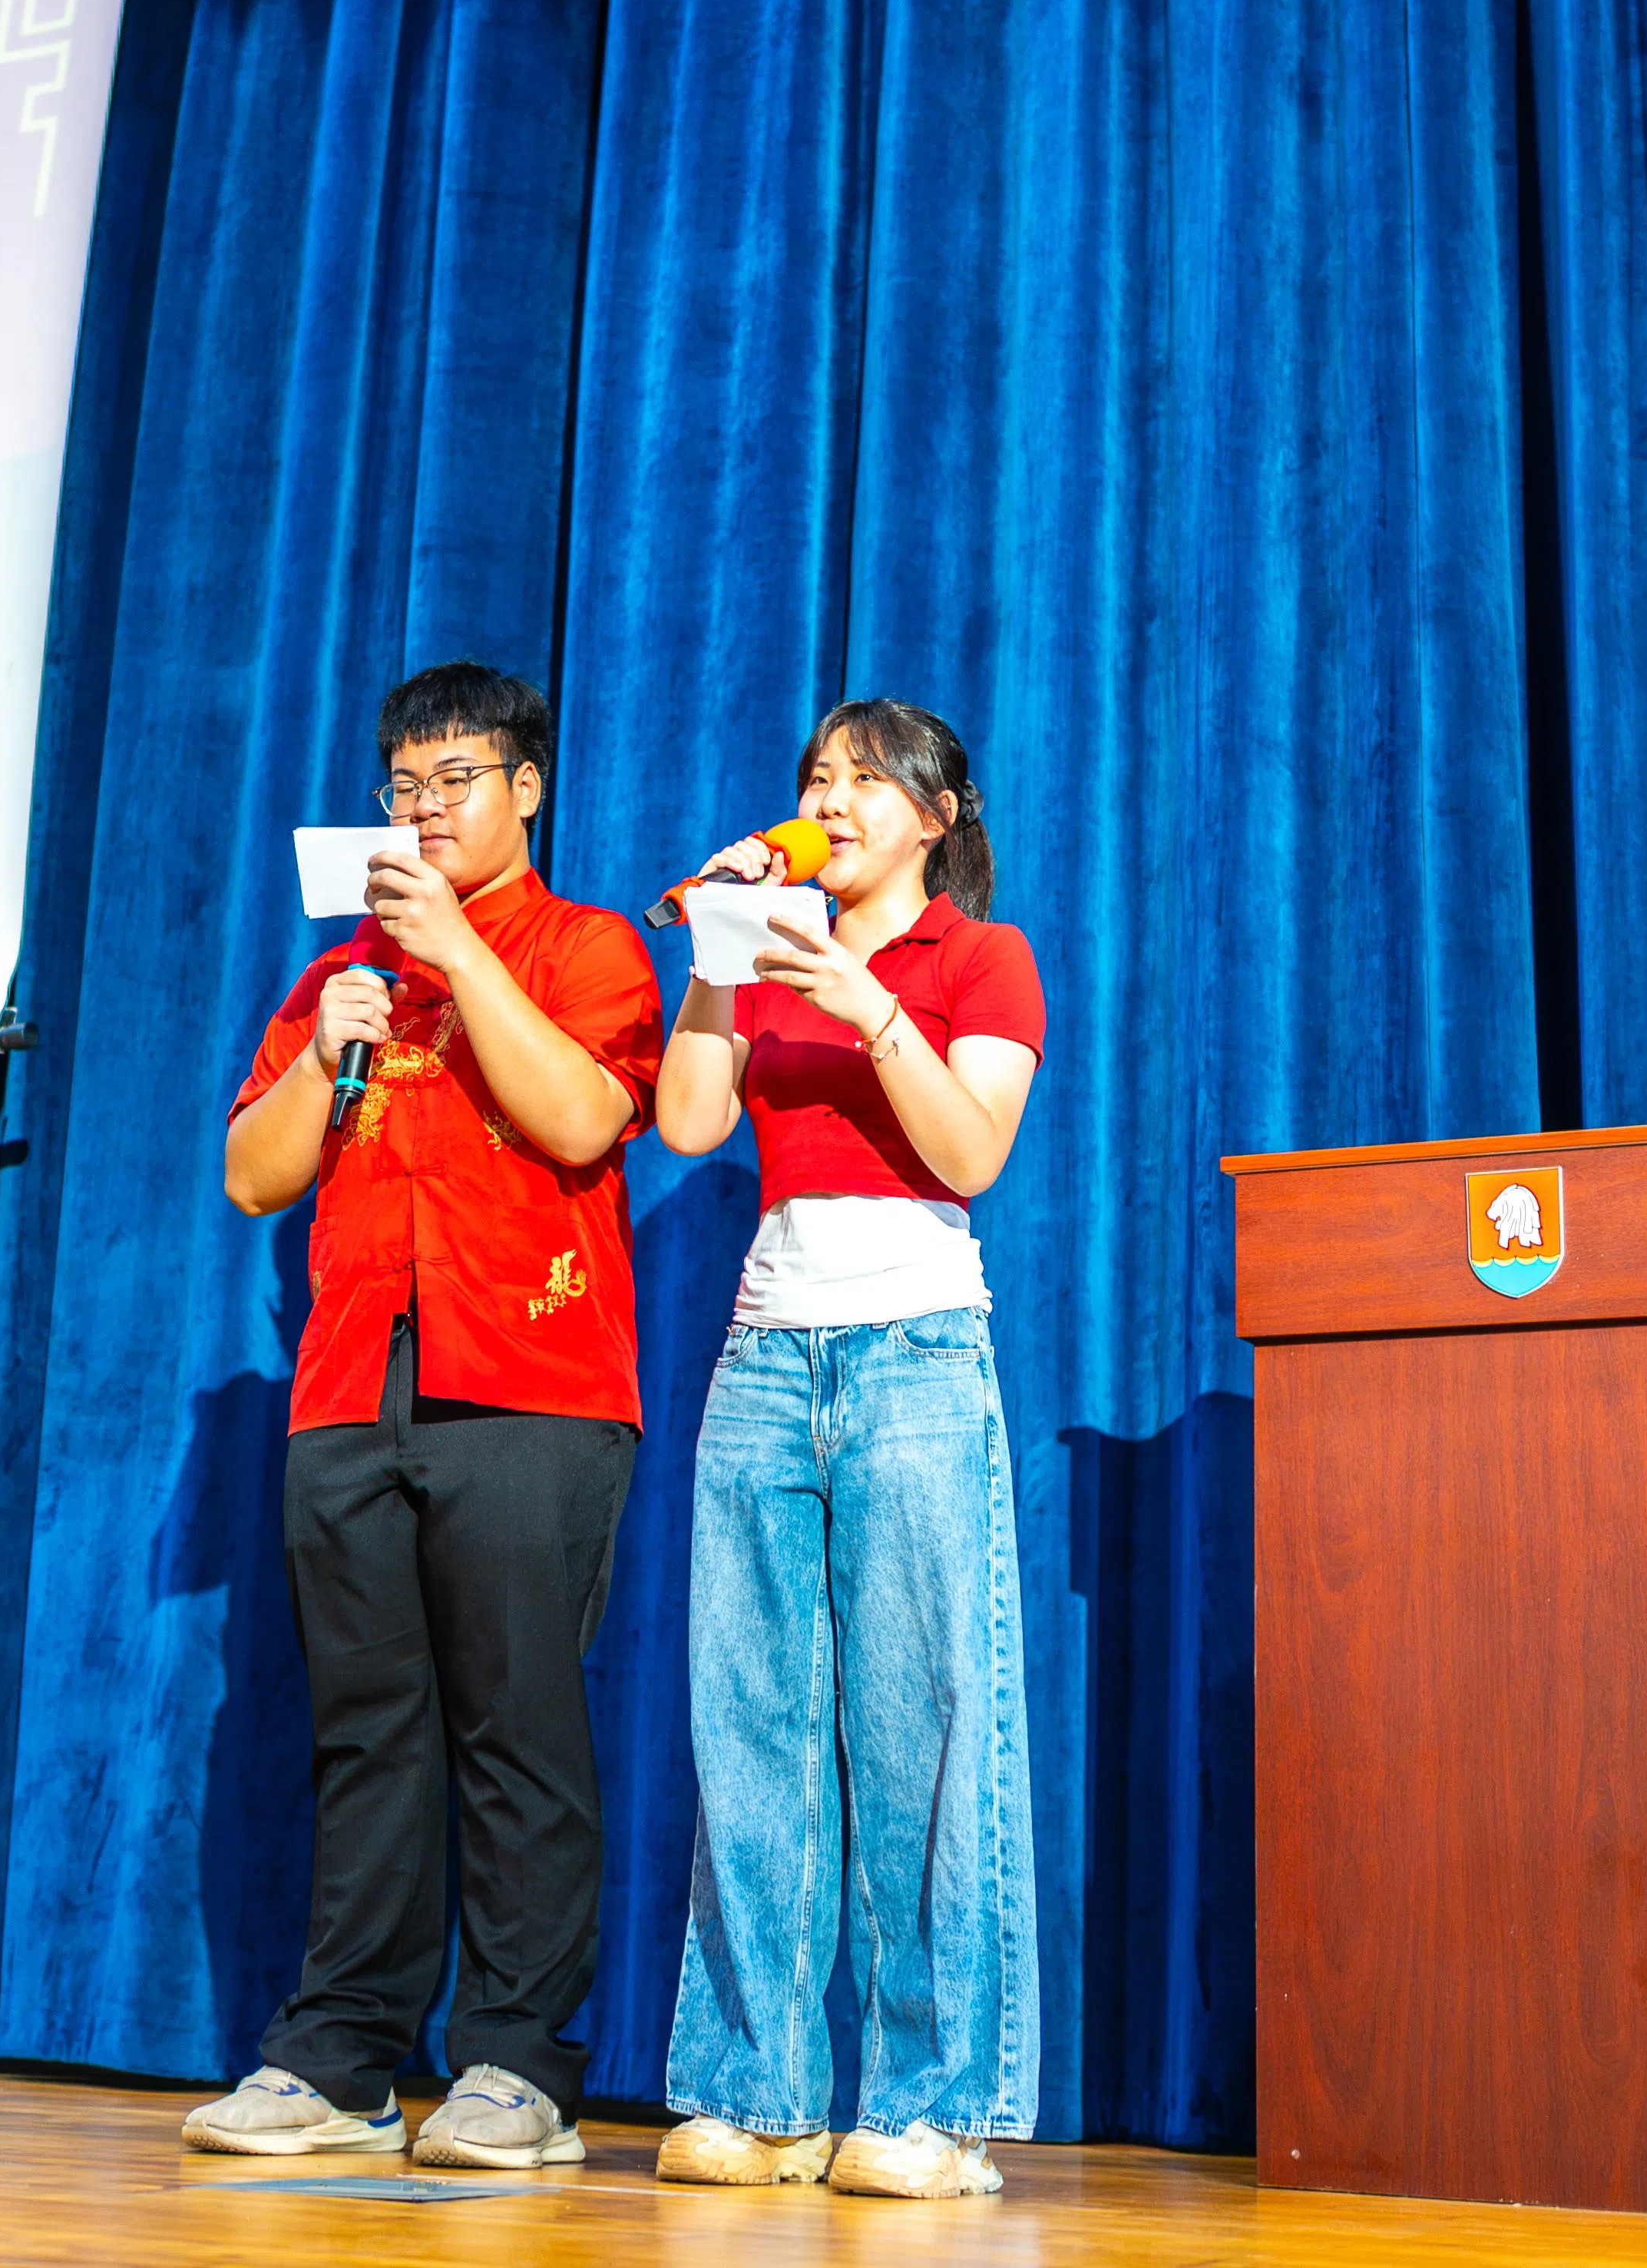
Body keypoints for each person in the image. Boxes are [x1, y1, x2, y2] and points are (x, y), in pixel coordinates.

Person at [186, 662, 663, 2170]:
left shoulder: (584, 947)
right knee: (363, 1735)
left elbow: (581, 1118)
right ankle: (339, 2057)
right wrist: (327, 1046)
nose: (424, 807)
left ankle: (517, 2066)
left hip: (526, 1377)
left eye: (454, 779)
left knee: (516, 1729)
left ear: (525, 787)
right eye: (402, 785)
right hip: (350, 1382)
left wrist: (457, 950)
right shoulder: (342, 975)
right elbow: (252, 1175)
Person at [647, 698, 1045, 2200]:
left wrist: (865, 999)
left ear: (933, 815)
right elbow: (688, 1125)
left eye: (865, 781)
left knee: (916, 1737)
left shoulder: (977, 956)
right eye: (817, 776)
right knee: (750, 1729)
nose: (831, 800)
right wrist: (719, 951)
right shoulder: (765, 953)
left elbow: (969, 1150)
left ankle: (932, 2106)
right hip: (766, 1354)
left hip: (913, 1351)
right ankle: (756, 2093)